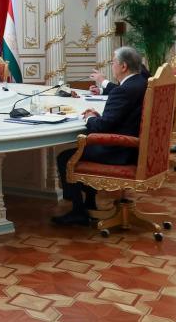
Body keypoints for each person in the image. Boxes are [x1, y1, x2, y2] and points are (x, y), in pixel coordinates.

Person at [53, 46, 148, 227]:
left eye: (113, 63)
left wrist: (90, 118)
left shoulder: (124, 90)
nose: (111, 66)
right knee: (83, 149)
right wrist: (99, 116)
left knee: (67, 157)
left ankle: (78, 211)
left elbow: (104, 126)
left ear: (123, 66)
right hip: (135, 149)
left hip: (120, 151)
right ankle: (89, 202)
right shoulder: (141, 82)